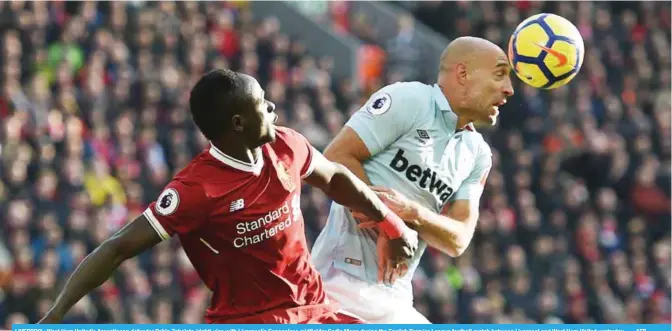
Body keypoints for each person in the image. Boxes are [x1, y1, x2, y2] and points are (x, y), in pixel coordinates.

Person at [38, 69, 418, 324]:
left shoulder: (287, 145)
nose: (272, 108)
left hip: (317, 308)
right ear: (239, 123)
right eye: (262, 103)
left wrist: (391, 223)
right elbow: (116, 248)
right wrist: (51, 320)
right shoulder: (195, 191)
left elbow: (336, 179)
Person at [311, 36, 515, 323]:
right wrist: (388, 225)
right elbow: (335, 158)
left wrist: (414, 215)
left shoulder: (478, 153)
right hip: (338, 285)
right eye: (500, 75)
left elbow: (459, 238)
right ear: (463, 73)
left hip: (395, 297)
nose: (509, 89)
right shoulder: (409, 100)